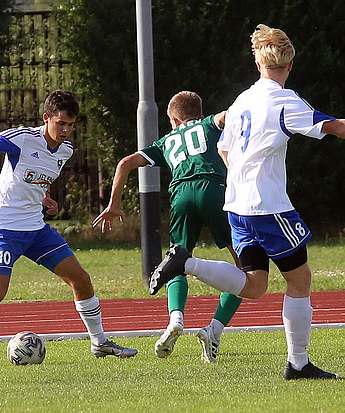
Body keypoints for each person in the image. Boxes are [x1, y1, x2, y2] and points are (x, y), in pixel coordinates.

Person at [149, 24, 345, 379]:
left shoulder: (241, 100)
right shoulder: (284, 100)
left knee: (255, 285)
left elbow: (223, 148)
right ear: (290, 65)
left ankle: (188, 264)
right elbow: (337, 126)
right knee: (300, 280)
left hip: (237, 206)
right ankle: (297, 363)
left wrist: (244, 176)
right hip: (268, 207)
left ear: (258, 64)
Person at [0, 90, 137, 369]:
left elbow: (36, 179)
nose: (66, 130)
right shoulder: (22, 138)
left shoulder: (65, 150)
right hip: (3, 228)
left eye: (71, 125)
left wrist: (44, 197)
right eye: (60, 123)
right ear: (46, 118)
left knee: (81, 279)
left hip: (36, 229)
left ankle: (99, 342)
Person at [92, 91, 242, 363]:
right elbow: (227, 116)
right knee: (246, 268)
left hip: (181, 196)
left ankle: (176, 319)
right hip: (214, 190)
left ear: (173, 120)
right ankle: (214, 330)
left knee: (176, 261)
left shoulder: (167, 140)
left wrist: (114, 204)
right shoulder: (208, 123)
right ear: (199, 113)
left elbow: (125, 163)